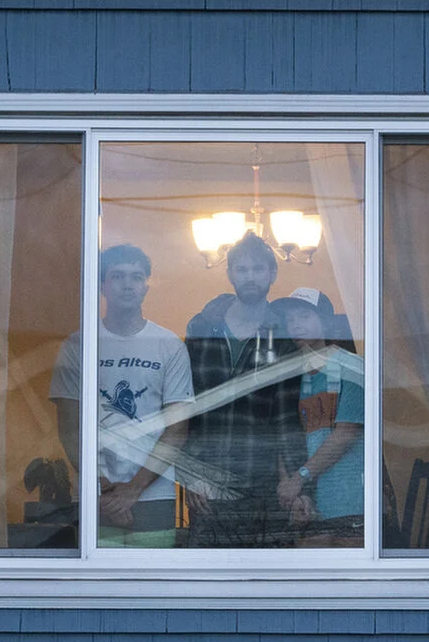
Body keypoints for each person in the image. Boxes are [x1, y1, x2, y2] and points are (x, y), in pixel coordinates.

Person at [49, 242, 195, 549]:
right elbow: (69, 427)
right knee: (98, 593)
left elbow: (177, 428)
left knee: (155, 590)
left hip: (155, 494)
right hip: (95, 497)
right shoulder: (78, 345)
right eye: (117, 276)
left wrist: (133, 490)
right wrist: (103, 490)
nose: (127, 284)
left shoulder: (169, 345)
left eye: (136, 277)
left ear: (146, 286)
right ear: (102, 285)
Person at [182, 232, 309, 548]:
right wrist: (190, 476)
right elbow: (185, 409)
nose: (250, 277)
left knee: (265, 583)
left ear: (272, 274)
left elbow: (286, 419)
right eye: (242, 269)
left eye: (257, 269)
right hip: (207, 483)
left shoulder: (283, 338)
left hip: (262, 485)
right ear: (230, 275)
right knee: (207, 584)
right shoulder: (202, 329)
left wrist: (294, 482)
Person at [274, 291, 364, 546]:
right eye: (290, 320)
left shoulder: (352, 368)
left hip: (352, 502)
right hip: (308, 505)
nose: (296, 325)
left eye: (304, 316)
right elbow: (282, 437)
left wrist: (297, 479)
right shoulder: (290, 378)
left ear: (326, 321)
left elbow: (346, 434)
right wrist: (290, 491)